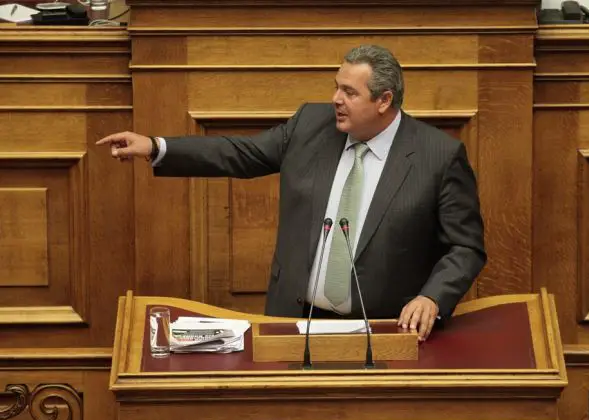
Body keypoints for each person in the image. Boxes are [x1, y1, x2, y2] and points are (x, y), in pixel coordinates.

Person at [96, 44, 486, 341]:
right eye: (336, 87)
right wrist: (156, 147)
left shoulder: (438, 156)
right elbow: (240, 154)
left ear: (384, 101)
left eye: (349, 92)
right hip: (294, 322)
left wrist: (432, 297)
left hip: (383, 333)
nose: (336, 99)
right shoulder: (310, 125)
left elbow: (465, 247)